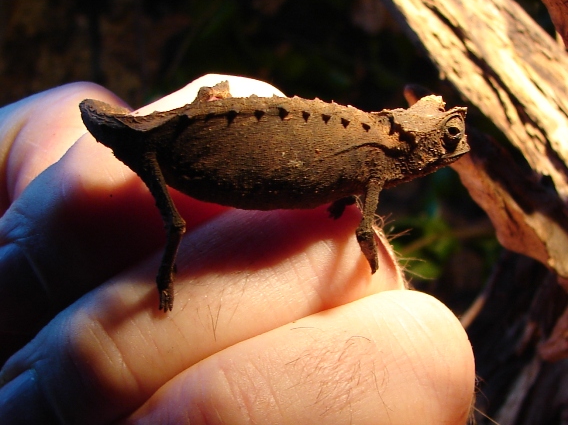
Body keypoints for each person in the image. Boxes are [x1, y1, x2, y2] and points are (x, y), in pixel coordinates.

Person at [0, 75, 474, 424]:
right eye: (449, 137)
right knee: (175, 223)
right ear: (418, 140)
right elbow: (365, 232)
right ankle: (166, 278)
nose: (457, 146)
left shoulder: (371, 152)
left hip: (182, 139)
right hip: (167, 146)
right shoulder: (375, 154)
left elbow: (351, 205)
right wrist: (367, 258)